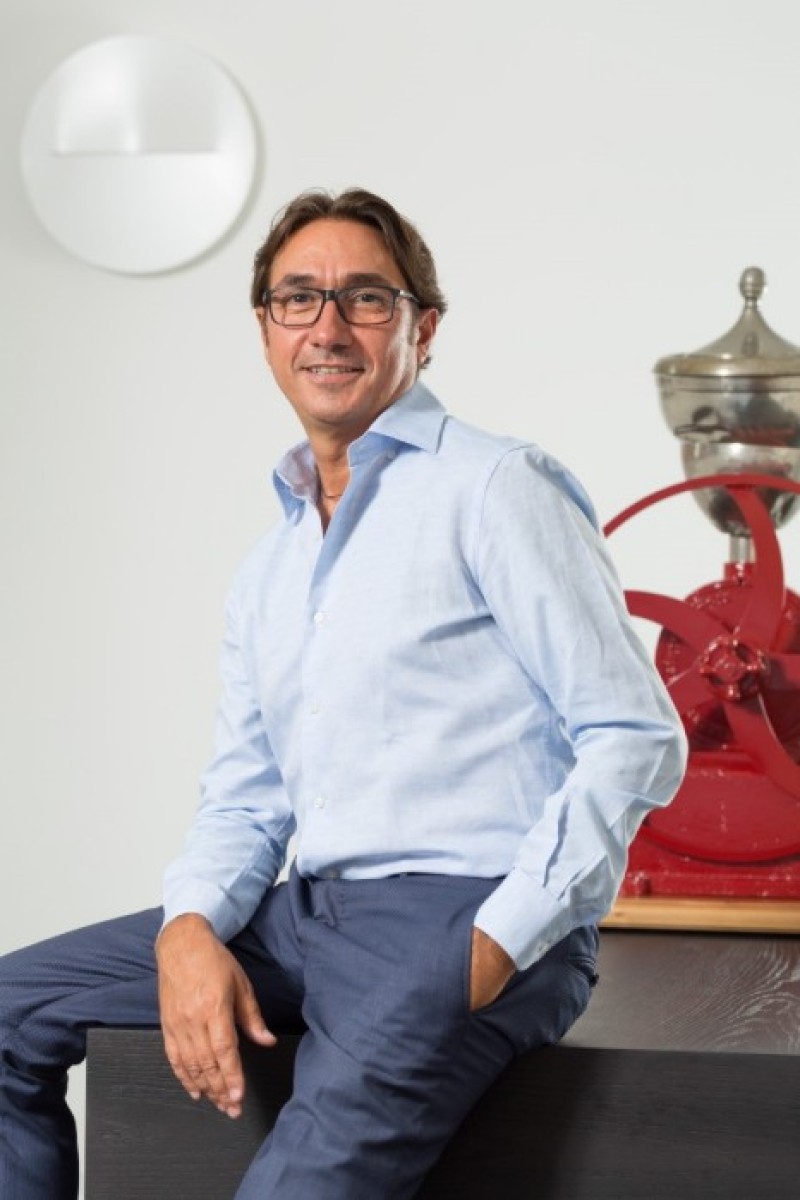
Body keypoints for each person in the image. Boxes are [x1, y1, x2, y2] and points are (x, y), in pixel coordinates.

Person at [0, 187, 687, 1199]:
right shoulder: (272, 566)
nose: (327, 327)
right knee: (10, 1011)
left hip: (455, 916)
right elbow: (247, 801)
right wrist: (188, 927)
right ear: (266, 329)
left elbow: (633, 734)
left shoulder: (495, 488)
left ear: (423, 327)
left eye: (365, 297)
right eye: (298, 298)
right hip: (307, 919)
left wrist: (498, 939)